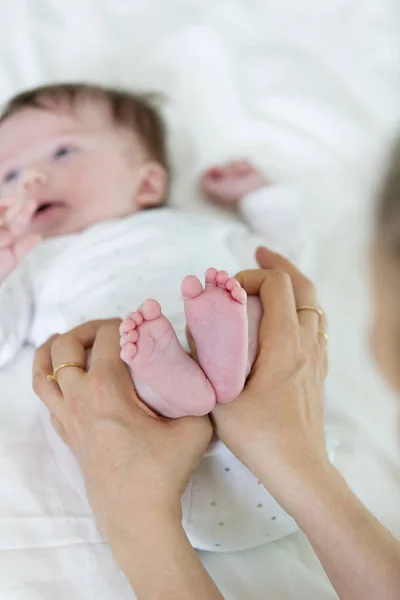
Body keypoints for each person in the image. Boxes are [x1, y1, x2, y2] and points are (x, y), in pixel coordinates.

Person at [0, 82, 314, 551]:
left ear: (147, 182)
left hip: (281, 457)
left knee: (258, 298)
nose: (32, 179)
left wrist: (259, 199)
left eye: (63, 151)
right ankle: (173, 383)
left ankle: (208, 363)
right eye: (8, 175)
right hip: (159, 468)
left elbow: (288, 265)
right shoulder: (32, 262)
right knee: (126, 357)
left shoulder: (198, 226)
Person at [34, 242, 400, 600]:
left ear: (148, 180)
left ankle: (185, 386)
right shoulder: (46, 255)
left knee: (115, 363)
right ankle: (218, 371)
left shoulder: (51, 256)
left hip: (159, 470)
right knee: (261, 310)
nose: (32, 183)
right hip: (297, 483)